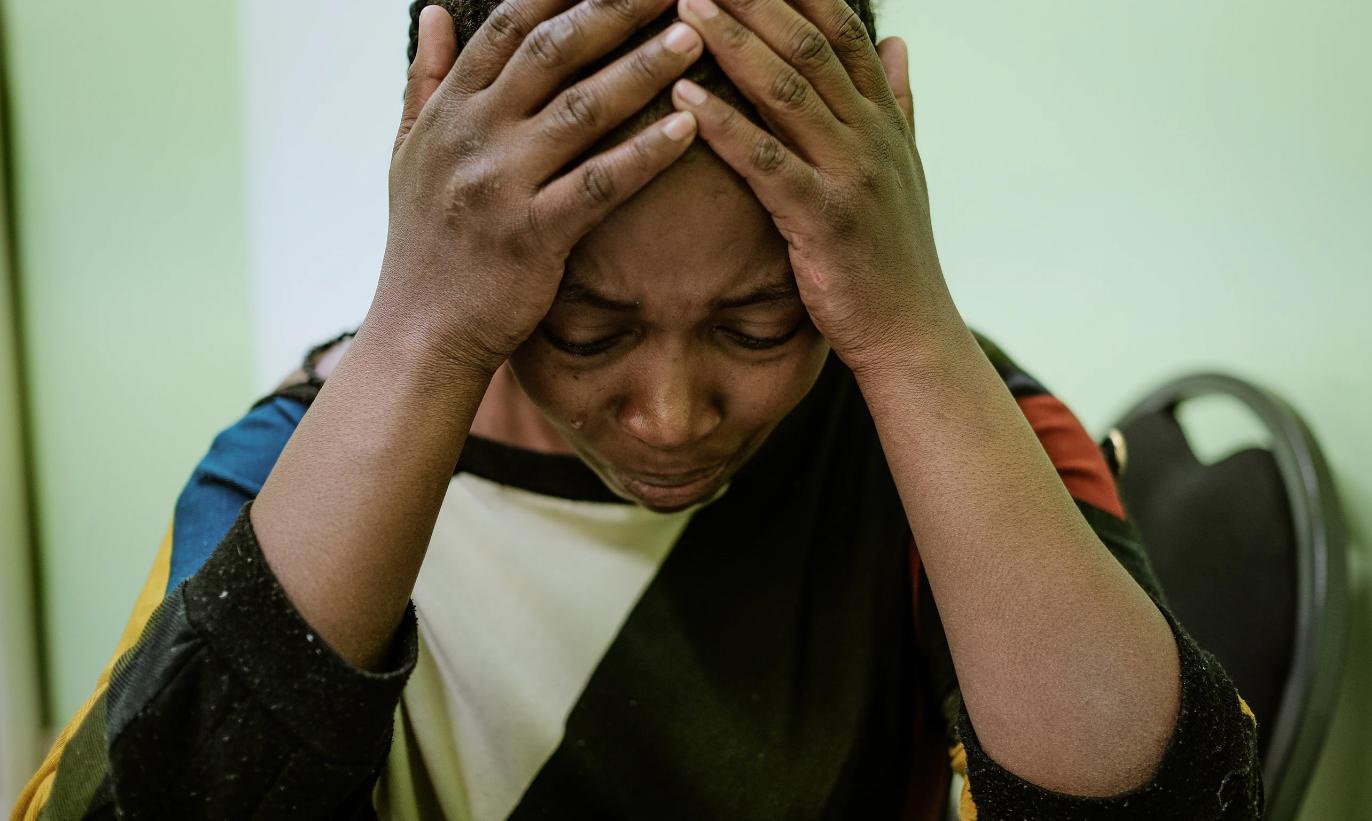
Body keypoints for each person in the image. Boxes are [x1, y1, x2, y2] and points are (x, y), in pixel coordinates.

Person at [13, 0, 1262, 817]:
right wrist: (420, 330)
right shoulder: (293, 474)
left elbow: (1164, 798)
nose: (671, 414)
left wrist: (911, 331)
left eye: (762, 323)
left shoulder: (958, 429)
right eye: (587, 327)